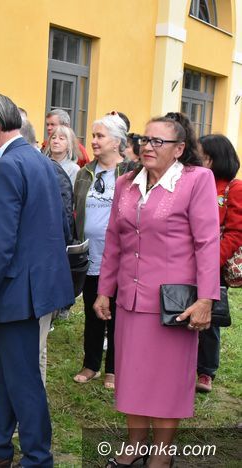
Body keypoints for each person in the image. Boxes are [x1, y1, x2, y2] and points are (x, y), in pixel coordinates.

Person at [0, 93, 73, 468]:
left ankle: (37, 458)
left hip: (18, 291)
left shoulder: (6, 166)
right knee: (7, 375)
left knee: (23, 381)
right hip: (33, 287)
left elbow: (0, 245)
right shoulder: (37, 159)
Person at [95, 112, 219, 468]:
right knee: (132, 378)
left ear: (179, 149)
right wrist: (105, 290)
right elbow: (114, 241)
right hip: (131, 300)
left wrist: (206, 299)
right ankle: (135, 444)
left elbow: (207, 242)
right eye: (144, 139)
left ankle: (162, 453)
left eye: (157, 141)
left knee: (167, 384)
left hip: (173, 305)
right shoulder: (126, 182)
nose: (147, 146)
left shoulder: (196, 180)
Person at [72, 114, 132, 390]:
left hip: (121, 258)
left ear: (117, 141)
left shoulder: (132, 173)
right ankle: (91, 364)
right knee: (92, 310)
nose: (93, 141)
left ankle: (115, 368)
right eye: (93, 135)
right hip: (91, 255)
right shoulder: (85, 173)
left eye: (100, 136)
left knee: (118, 314)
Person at [196, 134, 242, 393]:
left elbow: (236, 232)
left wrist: (211, 262)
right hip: (187, 260)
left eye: (200, 155)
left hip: (214, 264)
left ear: (212, 159)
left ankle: (206, 371)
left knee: (210, 318)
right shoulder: (195, 183)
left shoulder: (233, 189)